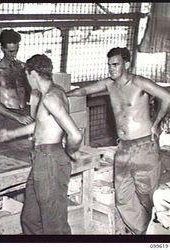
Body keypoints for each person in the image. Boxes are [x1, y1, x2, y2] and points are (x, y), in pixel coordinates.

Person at [66, 47, 170, 234]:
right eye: (109, 65)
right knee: (122, 196)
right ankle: (141, 231)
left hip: (144, 145)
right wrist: (63, 95)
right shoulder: (109, 84)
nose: (111, 69)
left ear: (126, 64)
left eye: (115, 65)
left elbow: (167, 96)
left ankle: (147, 233)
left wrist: (156, 123)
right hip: (123, 147)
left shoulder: (139, 83)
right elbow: (84, 91)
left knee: (146, 194)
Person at [0, 54, 83, 234]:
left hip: (49, 158)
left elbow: (75, 134)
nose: (28, 81)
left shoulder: (51, 98)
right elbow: (42, 124)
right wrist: (11, 133)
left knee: (53, 223)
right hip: (41, 159)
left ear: (33, 74)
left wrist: (71, 151)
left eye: (27, 77)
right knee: (30, 218)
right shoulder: (54, 92)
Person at [0, 29, 33, 142]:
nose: (14, 54)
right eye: (10, 51)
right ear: (3, 49)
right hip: (7, 118)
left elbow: (32, 93)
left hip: (24, 116)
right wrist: (17, 117)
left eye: (16, 50)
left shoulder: (23, 67)